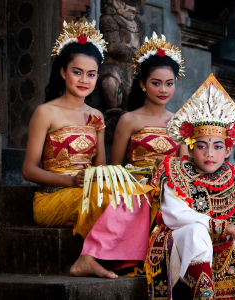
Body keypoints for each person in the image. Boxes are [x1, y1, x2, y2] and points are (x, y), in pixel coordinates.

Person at [145, 74, 235, 300]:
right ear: (192, 148)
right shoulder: (175, 171)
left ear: (227, 151)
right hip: (183, 241)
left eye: (217, 147)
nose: (209, 153)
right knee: (197, 233)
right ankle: (204, 295)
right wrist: (230, 229)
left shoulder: (231, 176)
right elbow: (176, 215)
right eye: (202, 146)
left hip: (222, 242)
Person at [75, 32, 188, 276]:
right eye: (156, 83)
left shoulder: (181, 123)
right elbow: (115, 167)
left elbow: (185, 167)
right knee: (133, 197)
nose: (163, 89)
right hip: (135, 185)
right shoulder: (129, 120)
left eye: (169, 83)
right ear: (142, 84)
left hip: (171, 188)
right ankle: (93, 256)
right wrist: (138, 181)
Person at [22, 17, 120, 278]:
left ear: (98, 77)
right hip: (52, 197)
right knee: (105, 198)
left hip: (87, 190)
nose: (84, 80)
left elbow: (100, 169)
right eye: (77, 72)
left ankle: (119, 260)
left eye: (91, 74)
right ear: (64, 72)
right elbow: (29, 170)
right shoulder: (46, 112)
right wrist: (70, 182)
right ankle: (87, 259)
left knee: (133, 196)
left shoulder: (97, 116)